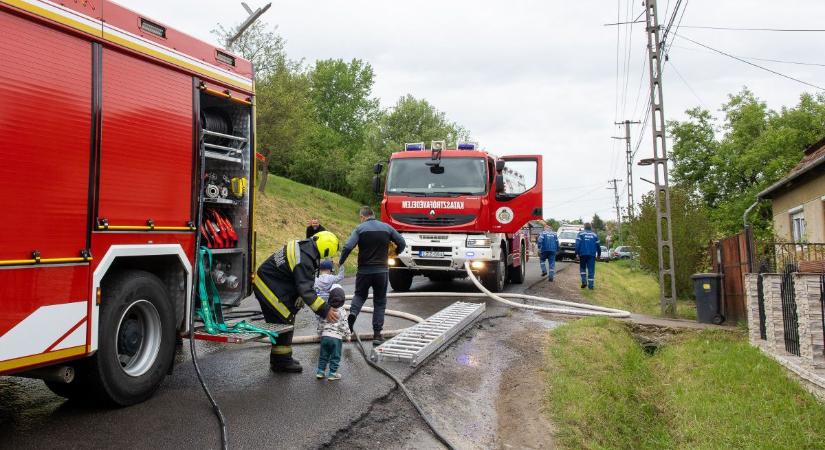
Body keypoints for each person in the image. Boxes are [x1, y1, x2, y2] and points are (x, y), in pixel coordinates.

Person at [252, 230, 341, 373]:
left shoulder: (304, 247)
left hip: (269, 282)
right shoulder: (305, 260)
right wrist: (325, 309)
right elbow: (305, 289)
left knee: (285, 321)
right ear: (326, 249)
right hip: (268, 287)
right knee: (284, 321)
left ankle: (281, 358)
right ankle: (281, 363)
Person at [339, 206, 406, 345]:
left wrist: (340, 262)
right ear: (373, 215)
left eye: (360, 218)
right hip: (381, 271)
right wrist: (395, 253)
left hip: (364, 271)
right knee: (380, 302)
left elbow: (347, 246)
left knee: (359, 296)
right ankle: (377, 334)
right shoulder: (386, 227)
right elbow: (402, 242)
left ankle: (352, 315)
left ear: (363, 217)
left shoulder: (360, 229)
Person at [315, 284, 349, 380]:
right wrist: (348, 336)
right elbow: (344, 325)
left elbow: (321, 322)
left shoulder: (326, 310)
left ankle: (320, 372)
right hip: (336, 338)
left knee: (323, 355)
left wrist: (319, 333)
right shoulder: (342, 311)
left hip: (325, 337)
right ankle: (332, 373)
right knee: (335, 356)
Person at [575, 223, 601, 290]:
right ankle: (591, 286)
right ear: (591, 227)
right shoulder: (595, 235)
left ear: (584, 227)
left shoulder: (580, 234)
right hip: (592, 255)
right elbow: (598, 246)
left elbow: (577, 244)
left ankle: (584, 281)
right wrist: (599, 254)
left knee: (582, 268)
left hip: (582, 254)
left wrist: (576, 253)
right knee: (591, 270)